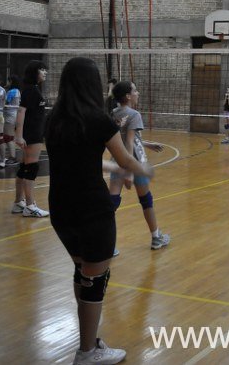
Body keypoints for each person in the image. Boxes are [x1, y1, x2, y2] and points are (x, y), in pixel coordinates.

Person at [45, 57, 154, 364]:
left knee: (83, 271)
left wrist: (115, 168)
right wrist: (145, 170)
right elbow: (126, 159)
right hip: (91, 208)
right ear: (92, 84)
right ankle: (87, 352)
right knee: (96, 279)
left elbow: (81, 159)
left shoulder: (53, 119)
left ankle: (89, 341)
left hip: (60, 207)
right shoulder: (98, 120)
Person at [108, 80, 171, 251]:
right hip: (134, 164)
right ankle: (156, 238)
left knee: (111, 203)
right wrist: (129, 171)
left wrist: (148, 144)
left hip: (117, 161)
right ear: (128, 96)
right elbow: (129, 143)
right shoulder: (134, 114)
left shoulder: (114, 113)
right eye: (135, 90)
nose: (138, 93)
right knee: (146, 200)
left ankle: (106, 245)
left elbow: (125, 139)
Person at [13, 60, 50, 217]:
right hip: (32, 135)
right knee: (31, 168)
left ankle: (18, 203)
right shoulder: (31, 91)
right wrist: (19, 135)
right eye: (42, 69)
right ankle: (30, 206)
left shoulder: (33, 89)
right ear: (35, 72)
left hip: (33, 133)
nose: (45, 72)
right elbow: (21, 112)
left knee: (24, 167)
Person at [3, 75, 21, 165]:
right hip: (13, 115)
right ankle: (3, 155)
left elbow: (5, 102)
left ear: (11, 82)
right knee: (5, 136)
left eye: (8, 81)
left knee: (9, 137)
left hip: (10, 116)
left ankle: (13, 157)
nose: (7, 83)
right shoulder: (17, 91)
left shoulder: (11, 91)